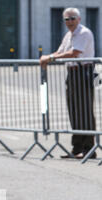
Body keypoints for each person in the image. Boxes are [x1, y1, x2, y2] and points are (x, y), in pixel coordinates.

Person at [40, 7, 96, 159]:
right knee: (74, 111)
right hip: (72, 73)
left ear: (79, 19)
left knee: (84, 110)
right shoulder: (68, 35)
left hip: (83, 72)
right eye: (66, 19)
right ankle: (77, 148)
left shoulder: (83, 33)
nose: (69, 22)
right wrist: (49, 56)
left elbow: (74, 53)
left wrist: (49, 58)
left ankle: (89, 149)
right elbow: (60, 52)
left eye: (72, 18)